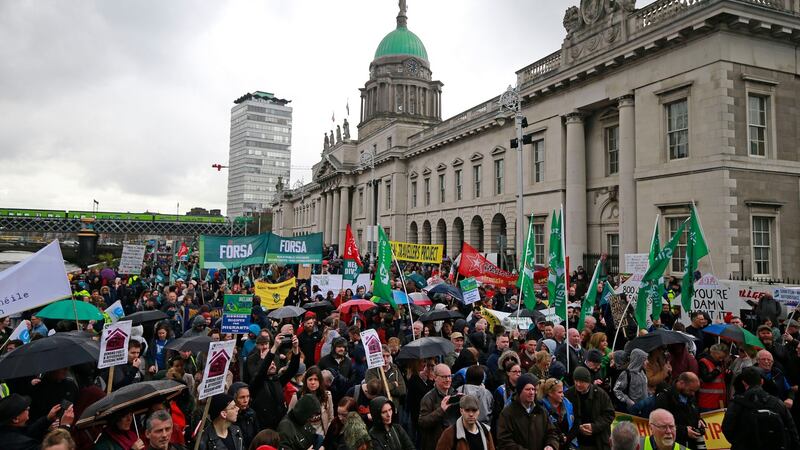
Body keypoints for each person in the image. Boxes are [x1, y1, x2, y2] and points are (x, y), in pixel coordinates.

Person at [723, 366, 800, 450]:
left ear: (744, 382)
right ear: (762, 381)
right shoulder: (777, 403)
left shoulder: (736, 403)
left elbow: (727, 428)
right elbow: (792, 430)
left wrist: (739, 443)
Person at [249, 332, 301, 430]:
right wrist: (275, 347)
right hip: (263, 427)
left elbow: (293, 369)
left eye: (274, 363)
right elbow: (263, 369)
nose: (273, 365)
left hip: (279, 425)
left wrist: (295, 348)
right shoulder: (257, 382)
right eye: (270, 363)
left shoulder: (277, 380)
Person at [496, 373, 558, 450]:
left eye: (533, 389)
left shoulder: (541, 411)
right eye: (528, 389)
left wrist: (551, 445)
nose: (532, 392)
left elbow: (551, 433)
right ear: (520, 390)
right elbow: (504, 441)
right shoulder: (508, 413)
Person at [0, 393, 74, 450]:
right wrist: (65, 426)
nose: (29, 407)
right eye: (25, 409)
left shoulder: (7, 430)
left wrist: (47, 419)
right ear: (16, 419)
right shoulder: (18, 443)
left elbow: (28, 432)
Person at [564, 366, 615, 450]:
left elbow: (609, 414)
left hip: (598, 441)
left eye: (581, 381)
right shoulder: (568, 394)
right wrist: (577, 427)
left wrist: (594, 427)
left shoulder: (600, 394)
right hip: (576, 442)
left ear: (588, 382)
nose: (578, 384)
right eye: (576, 381)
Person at [653, 372, 701, 449]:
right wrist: (684, 431)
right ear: (681, 383)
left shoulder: (690, 397)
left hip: (689, 443)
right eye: (691, 390)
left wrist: (698, 420)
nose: (693, 394)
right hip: (672, 443)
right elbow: (661, 424)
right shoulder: (665, 398)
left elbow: (694, 412)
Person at [287, 366, 333, 442]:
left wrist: (326, 437)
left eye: (316, 379)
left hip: (321, 436)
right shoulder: (297, 396)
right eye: (310, 379)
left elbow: (331, 418)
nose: (313, 382)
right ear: (306, 381)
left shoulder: (327, 396)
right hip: (303, 437)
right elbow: (289, 419)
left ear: (320, 381)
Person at [418, 364, 457, 450]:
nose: (448, 380)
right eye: (444, 377)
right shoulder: (428, 398)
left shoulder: (455, 393)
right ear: (435, 377)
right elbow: (422, 422)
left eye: (449, 376)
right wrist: (441, 410)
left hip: (453, 442)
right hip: (436, 444)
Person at [538, 378, 576, 449]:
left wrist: (568, 438)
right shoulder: (541, 409)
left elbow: (574, 424)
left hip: (567, 444)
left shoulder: (568, 404)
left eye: (562, 392)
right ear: (550, 393)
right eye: (559, 392)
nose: (563, 395)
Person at [613, 348, 649, 413]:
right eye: (645, 360)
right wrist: (628, 401)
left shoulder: (642, 372)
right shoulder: (626, 374)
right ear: (639, 360)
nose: (647, 362)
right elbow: (616, 390)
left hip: (644, 408)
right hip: (632, 410)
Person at [228, 382, 259, 450]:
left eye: (248, 396)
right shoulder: (229, 418)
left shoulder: (251, 414)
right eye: (242, 397)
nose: (246, 400)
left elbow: (257, 437)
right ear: (234, 398)